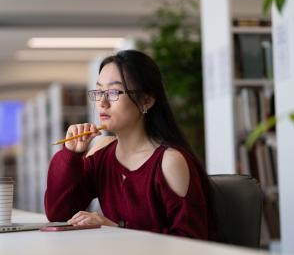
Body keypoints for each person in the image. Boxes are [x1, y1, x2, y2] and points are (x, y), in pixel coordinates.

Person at [45, 50, 211, 239]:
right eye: (99, 91)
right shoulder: (102, 152)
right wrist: (70, 156)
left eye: (114, 92)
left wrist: (117, 228)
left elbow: (192, 242)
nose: (102, 102)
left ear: (147, 100)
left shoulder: (170, 161)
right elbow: (59, 215)